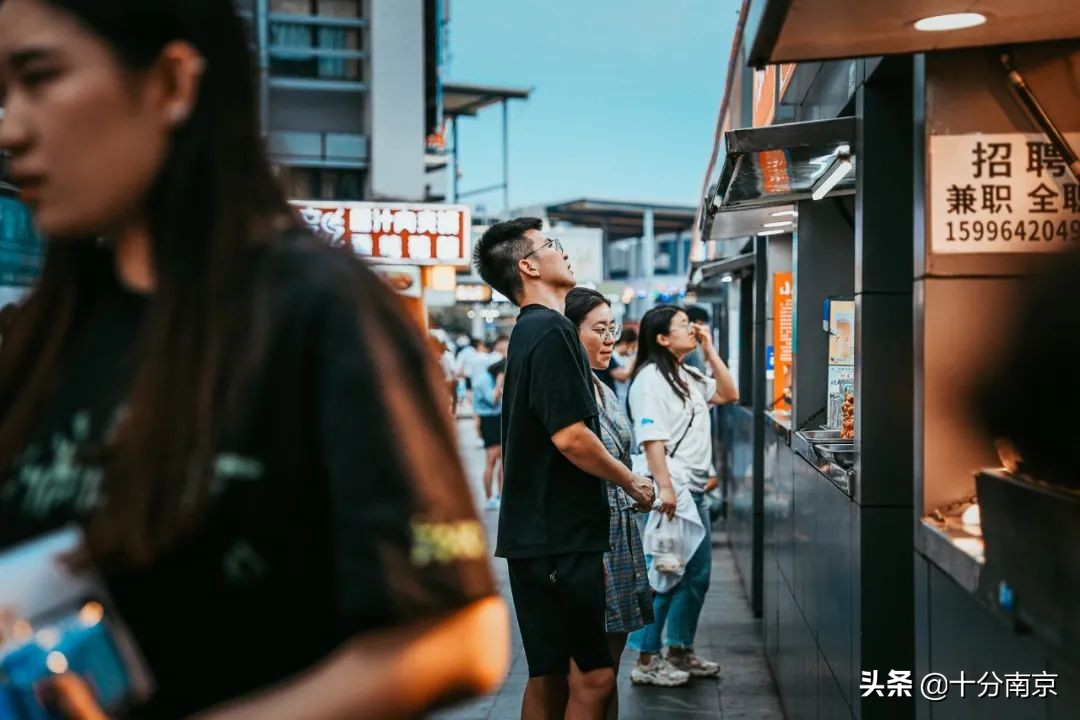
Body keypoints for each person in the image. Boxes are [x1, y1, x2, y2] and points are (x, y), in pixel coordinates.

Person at [0, 1, 508, 718]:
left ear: (172, 83)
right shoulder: (51, 331)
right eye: (2, 92)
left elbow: (461, 637)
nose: (12, 127)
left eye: (40, 77)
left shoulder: (317, 311)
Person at [474, 218, 654, 720]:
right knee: (593, 675)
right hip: (561, 535)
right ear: (528, 265)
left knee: (549, 675)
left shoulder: (530, 330)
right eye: (551, 244)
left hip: (538, 535)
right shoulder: (551, 329)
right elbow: (570, 436)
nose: (563, 250)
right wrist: (630, 479)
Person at [565, 288, 686, 716]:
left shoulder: (601, 387)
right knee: (591, 674)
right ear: (568, 335)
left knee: (608, 669)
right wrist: (635, 483)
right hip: (591, 537)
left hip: (620, 532)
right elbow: (574, 452)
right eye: (599, 330)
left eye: (611, 328)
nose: (610, 339)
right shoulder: (568, 392)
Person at [627, 305, 739, 685]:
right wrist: (666, 488)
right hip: (669, 492)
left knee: (696, 575)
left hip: (693, 491)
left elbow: (729, 392)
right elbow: (651, 438)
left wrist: (709, 350)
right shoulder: (650, 380)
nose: (692, 329)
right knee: (664, 574)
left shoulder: (687, 374)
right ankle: (645, 660)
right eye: (682, 326)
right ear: (661, 338)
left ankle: (679, 648)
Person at [474, 352, 505, 511]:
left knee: (502, 461)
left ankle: (500, 494)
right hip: (489, 420)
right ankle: (489, 497)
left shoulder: (490, 378)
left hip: (496, 418)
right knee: (491, 461)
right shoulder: (485, 380)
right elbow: (492, 400)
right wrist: (499, 383)